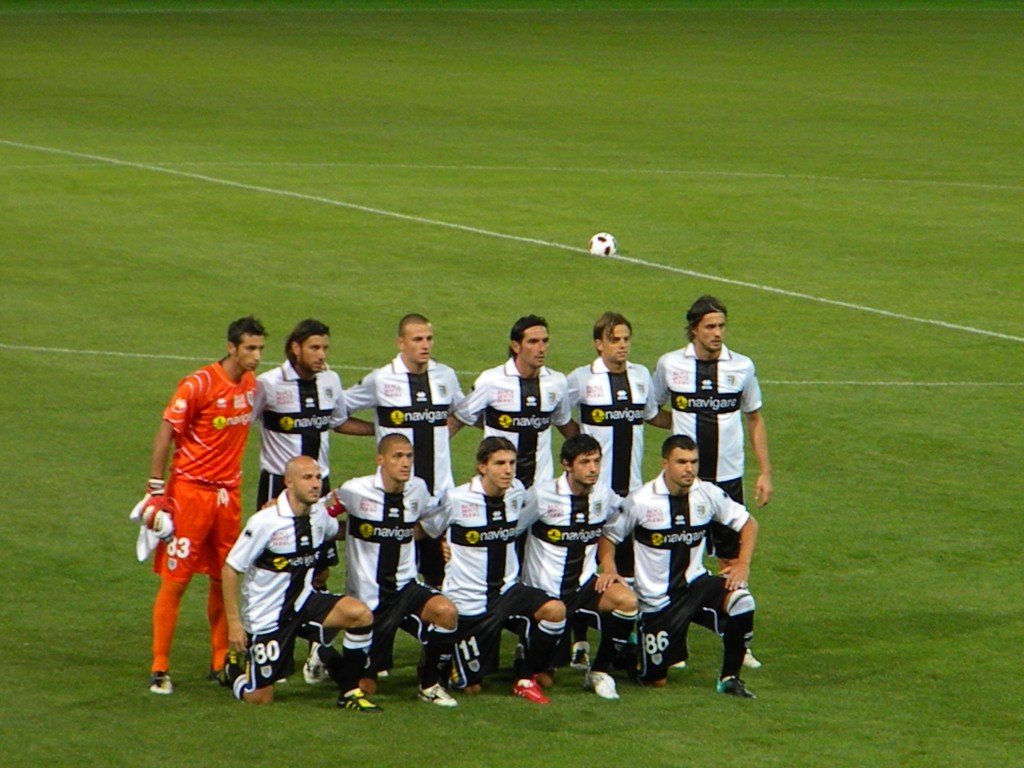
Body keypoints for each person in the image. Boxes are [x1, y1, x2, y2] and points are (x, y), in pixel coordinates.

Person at [140, 315, 265, 695]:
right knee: (176, 580)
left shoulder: (250, 385)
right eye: (250, 348)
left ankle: (220, 659)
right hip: (191, 493)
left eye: (260, 348)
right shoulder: (198, 384)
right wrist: (156, 488)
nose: (257, 356)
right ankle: (160, 666)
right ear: (231, 347)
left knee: (223, 576)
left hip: (229, 497)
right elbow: (167, 431)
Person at [650, 294, 770, 669]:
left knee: (732, 561)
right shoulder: (671, 365)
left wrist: (765, 471)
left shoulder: (742, 366)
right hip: (686, 483)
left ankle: (741, 643)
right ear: (693, 330)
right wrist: (683, 427)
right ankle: (674, 640)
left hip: (728, 480)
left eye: (721, 326)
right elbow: (652, 410)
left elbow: (754, 418)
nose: (717, 333)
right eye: (710, 327)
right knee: (681, 560)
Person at [602, 435, 759, 698]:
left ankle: (730, 679)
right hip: (657, 602)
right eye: (681, 462)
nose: (689, 468)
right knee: (654, 681)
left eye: (694, 462)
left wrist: (743, 563)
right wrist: (609, 568)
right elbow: (609, 536)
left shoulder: (706, 494)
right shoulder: (641, 500)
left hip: (696, 586)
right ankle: (630, 649)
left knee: (742, 600)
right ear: (665, 463)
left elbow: (748, 523)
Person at [220, 457, 380, 711]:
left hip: (305, 601)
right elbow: (230, 569)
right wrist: (233, 624)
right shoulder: (266, 522)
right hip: (268, 615)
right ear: (289, 483)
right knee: (260, 697)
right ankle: (234, 672)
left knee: (359, 615)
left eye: (318, 477)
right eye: (307, 478)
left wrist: (376, 526)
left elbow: (335, 530)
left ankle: (349, 691)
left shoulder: (317, 514)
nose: (316, 484)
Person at [418, 437, 567, 704]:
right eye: (499, 463)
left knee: (555, 611)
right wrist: (443, 544)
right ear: (482, 466)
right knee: (470, 687)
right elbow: (427, 528)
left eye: (511, 463)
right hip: (469, 600)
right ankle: (442, 657)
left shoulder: (516, 492)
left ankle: (525, 675)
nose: (508, 470)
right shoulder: (456, 498)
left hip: (508, 591)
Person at [319, 434, 460, 707]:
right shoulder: (355, 491)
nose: (405, 463)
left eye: (409, 456)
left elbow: (433, 519)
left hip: (405, 587)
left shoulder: (417, 489)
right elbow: (319, 513)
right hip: (368, 597)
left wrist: (441, 540)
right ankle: (325, 655)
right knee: (366, 687)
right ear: (380, 460)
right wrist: (349, 533)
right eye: (397, 456)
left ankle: (429, 684)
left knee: (446, 613)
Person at [343, 313, 464, 587]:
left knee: (442, 576)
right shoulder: (381, 379)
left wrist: (445, 432)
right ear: (401, 342)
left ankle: (440, 630)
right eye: (417, 339)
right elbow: (338, 411)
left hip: (439, 495)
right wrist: (376, 430)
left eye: (429, 339)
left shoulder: (445, 375)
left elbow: (463, 410)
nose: (425, 345)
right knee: (391, 576)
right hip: (398, 497)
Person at [565, 311, 657, 667]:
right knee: (583, 566)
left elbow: (649, 414)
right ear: (598, 343)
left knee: (626, 566)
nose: (622, 346)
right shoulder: (581, 379)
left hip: (631, 492)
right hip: (591, 493)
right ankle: (580, 642)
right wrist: (580, 451)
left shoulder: (641, 376)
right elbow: (560, 416)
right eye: (614, 339)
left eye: (626, 339)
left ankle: (625, 639)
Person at [519, 434, 638, 700]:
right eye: (585, 462)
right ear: (567, 464)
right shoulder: (541, 495)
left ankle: (598, 671)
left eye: (596, 461)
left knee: (627, 601)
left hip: (584, 586)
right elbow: (509, 531)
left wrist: (608, 566)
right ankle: (527, 657)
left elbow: (627, 514)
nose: (593, 468)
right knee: (546, 679)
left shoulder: (603, 495)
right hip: (545, 592)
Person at [252, 318, 373, 510]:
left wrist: (381, 429)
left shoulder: (330, 380)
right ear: (296, 348)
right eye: (314, 348)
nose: (322, 355)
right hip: (279, 484)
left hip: (319, 482)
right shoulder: (268, 384)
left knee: (321, 538)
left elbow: (339, 422)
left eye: (325, 348)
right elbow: (242, 424)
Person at [450, 315, 578, 489]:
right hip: (499, 486)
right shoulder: (491, 381)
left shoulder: (557, 382)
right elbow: (460, 418)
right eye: (533, 342)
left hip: (540, 487)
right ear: (516, 346)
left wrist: (589, 450)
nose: (541, 348)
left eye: (544, 341)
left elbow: (563, 422)